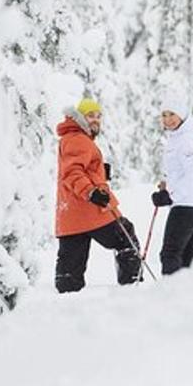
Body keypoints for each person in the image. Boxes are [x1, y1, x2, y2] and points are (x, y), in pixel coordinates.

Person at [55, 98, 142, 292]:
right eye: (90, 115)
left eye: (98, 116)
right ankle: (132, 286)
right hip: (92, 210)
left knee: (71, 265)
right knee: (125, 235)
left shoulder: (72, 138)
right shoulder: (79, 139)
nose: (95, 120)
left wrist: (99, 171)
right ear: (80, 118)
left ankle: (65, 297)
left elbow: (74, 169)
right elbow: (72, 173)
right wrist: (91, 191)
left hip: (71, 215)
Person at [152, 92, 193, 275]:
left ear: (182, 115)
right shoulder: (180, 137)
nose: (168, 119)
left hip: (188, 206)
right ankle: (188, 298)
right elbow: (181, 172)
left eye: (172, 114)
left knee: (170, 254)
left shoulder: (185, 139)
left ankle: (171, 297)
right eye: (164, 115)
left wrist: (170, 195)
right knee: (189, 260)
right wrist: (166, 185)